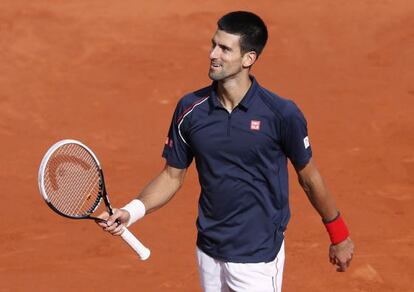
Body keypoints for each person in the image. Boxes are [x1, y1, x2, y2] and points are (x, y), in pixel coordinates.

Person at [96, 11, 354, 292]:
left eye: (224, 48)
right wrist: (131, 212)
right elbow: (171, 176)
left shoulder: (280, 114)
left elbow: (309, 178)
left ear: (248, 59)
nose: (212, 54)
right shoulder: (190, 110)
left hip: (257, 256)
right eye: (213, 44)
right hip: (208, 250)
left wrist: (338, 234)